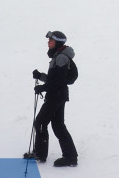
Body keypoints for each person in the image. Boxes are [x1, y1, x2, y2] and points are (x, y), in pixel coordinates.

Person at [31, 31, 78, 167]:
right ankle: (70, 157)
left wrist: (43, 88)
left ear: (57, 42)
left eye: (50, 40)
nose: (48, 42)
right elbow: (54, 79)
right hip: (58, 95)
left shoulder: (61, 57)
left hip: (56, 95)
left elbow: (59, 81)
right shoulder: (58, 56)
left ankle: (40, 154)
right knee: (57, 125)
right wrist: (40, 76)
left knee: (40, 122)